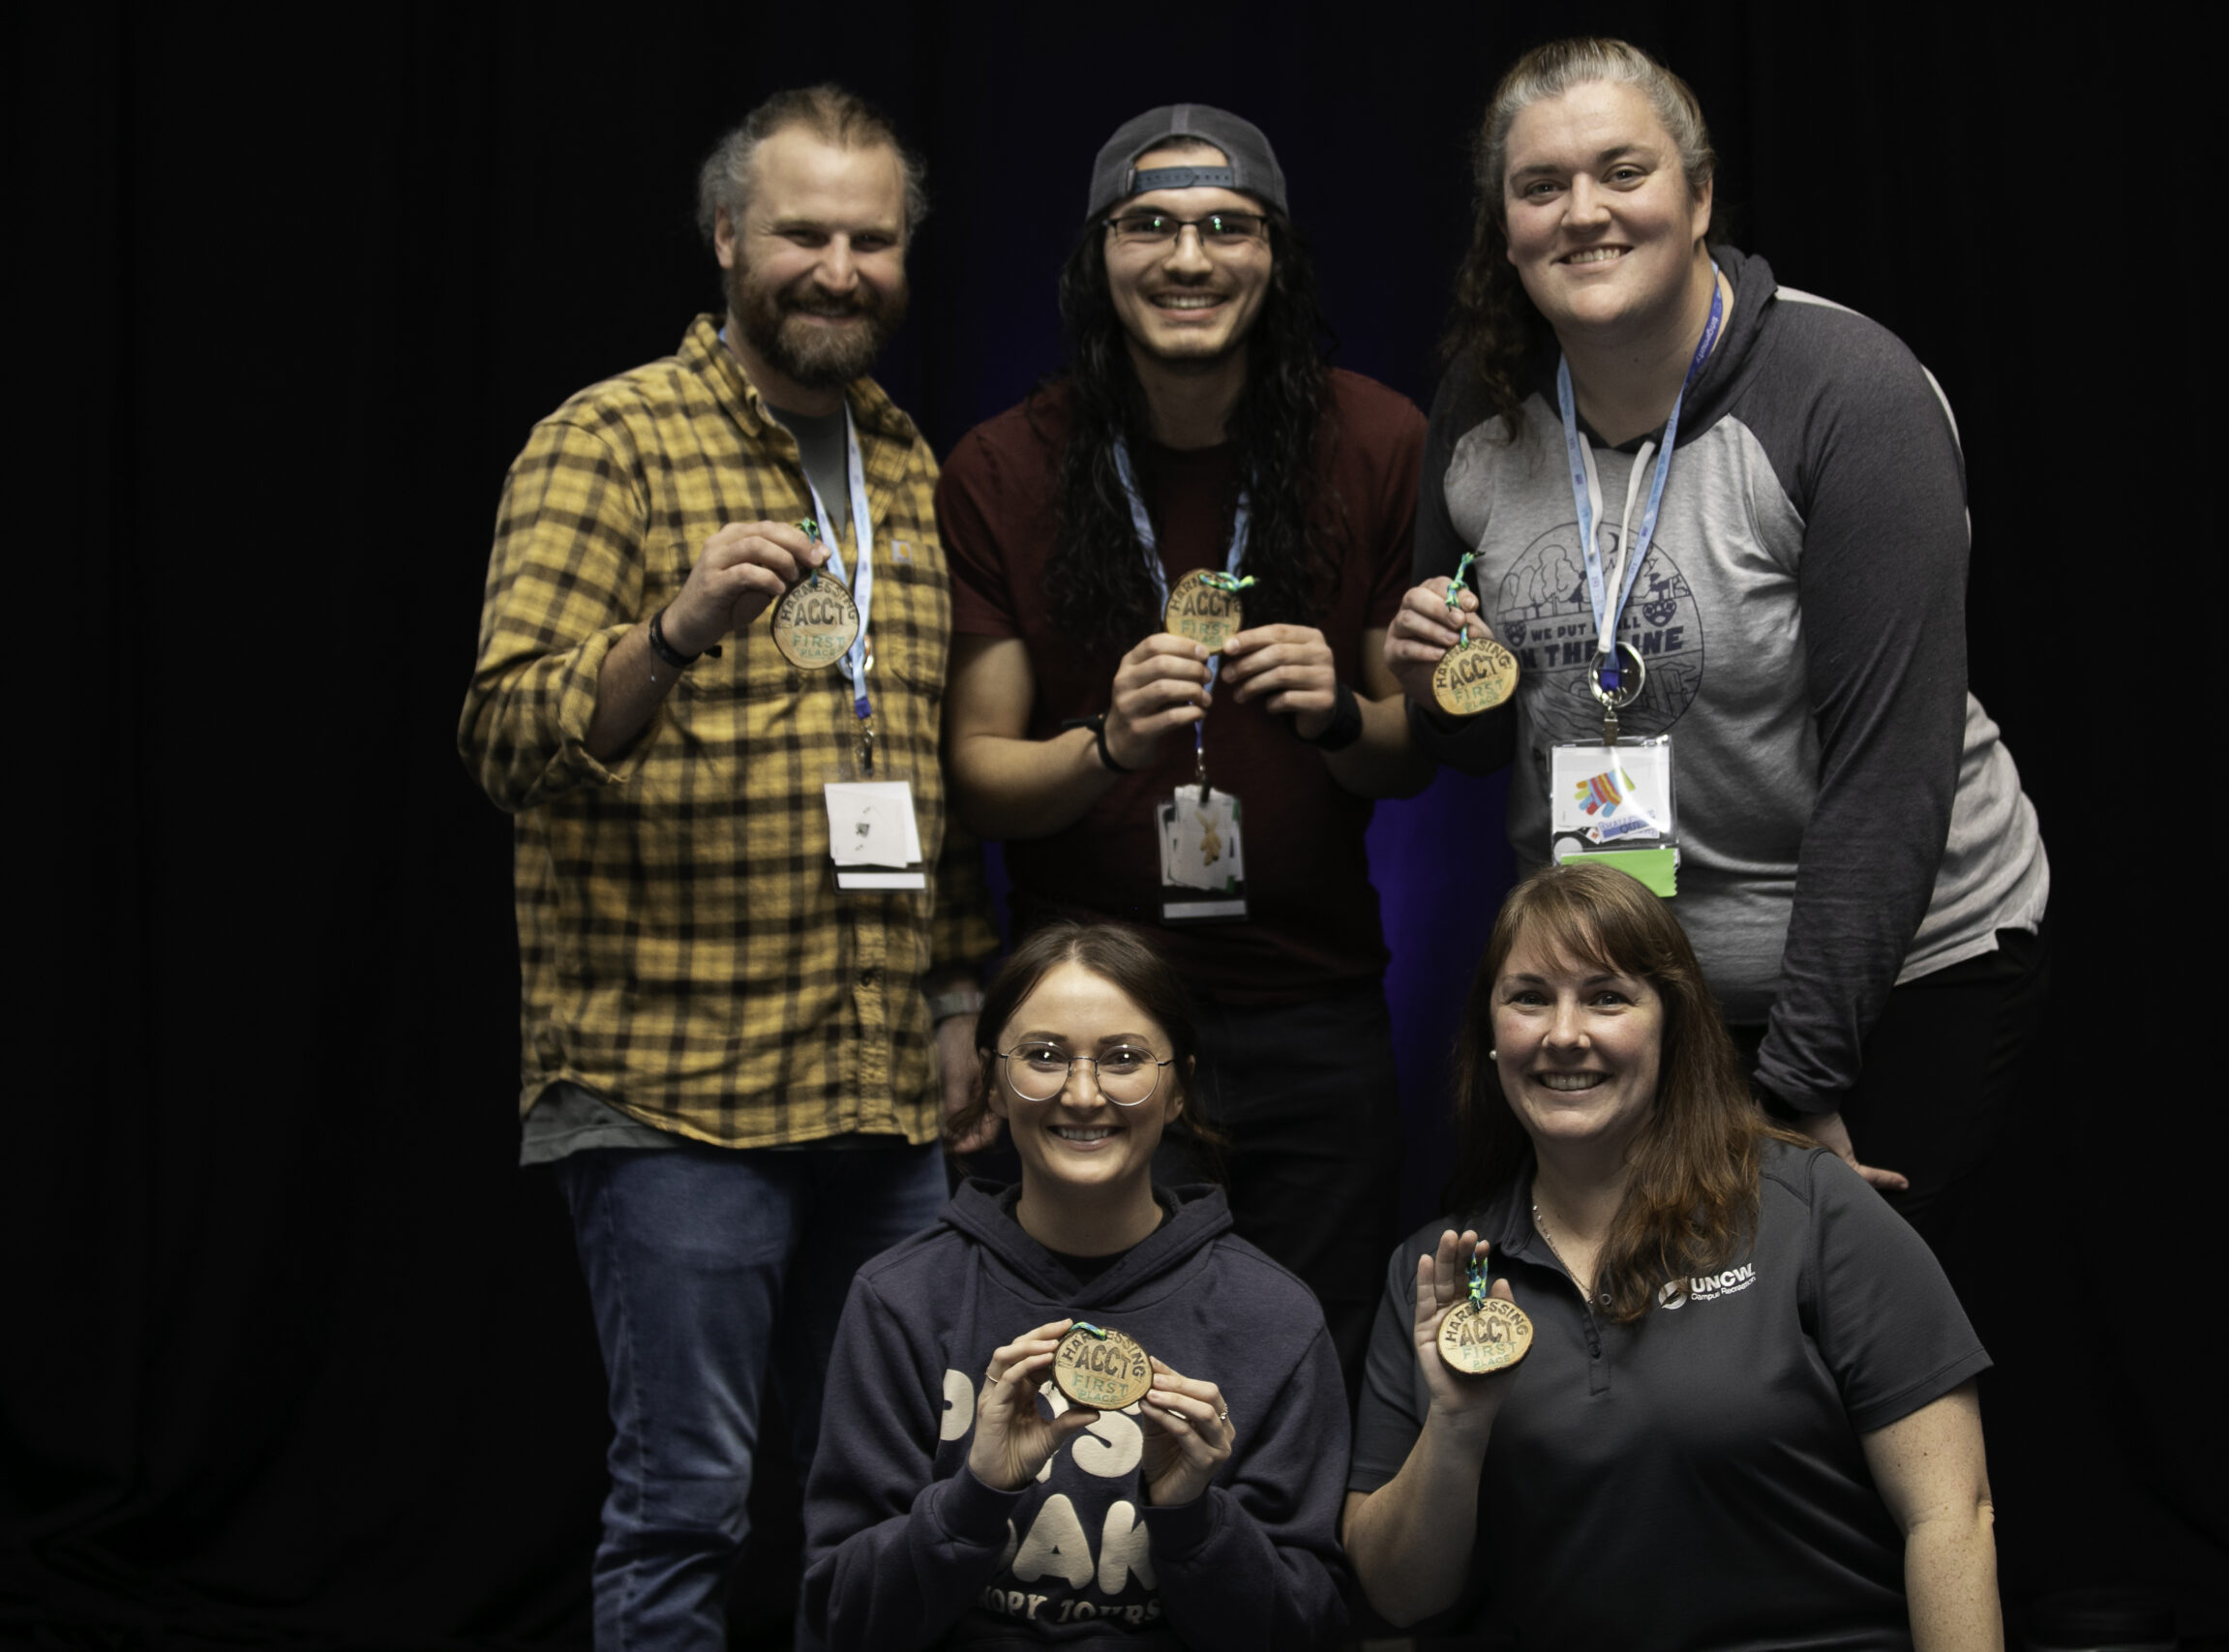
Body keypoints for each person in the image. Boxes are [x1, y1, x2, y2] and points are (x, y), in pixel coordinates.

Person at [457, 84, 995, 1651]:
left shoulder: (906, 467)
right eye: (802, 232)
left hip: (884, 1087)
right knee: (685, 1504)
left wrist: (962, 991)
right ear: (725, 239)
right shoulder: (604, 440)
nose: (838, 266)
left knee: (891, 1499)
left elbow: (913, 771)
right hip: (670, 1082)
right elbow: (499, 737)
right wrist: (670, 632)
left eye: (871, 238)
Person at [1384, 38, 2051, 1254]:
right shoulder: (1482, 410)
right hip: (1629, 995)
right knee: (1640, 1380)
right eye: (1540, 188)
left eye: (1621, 172)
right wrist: (1433, 674)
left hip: (1896, 982)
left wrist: (1793, 1091)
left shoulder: (1848, 392)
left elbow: (1889, 776)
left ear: (1696, 199)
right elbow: (1471, 745)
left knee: (1817, 1373)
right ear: (1505, 228)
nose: (1582, 213)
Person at [939, 104, 1430, 1389]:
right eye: (1148, 224)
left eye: (1228, 225)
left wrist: (1337, 712)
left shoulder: (1378, 440)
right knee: (1097, 1376)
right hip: (1095, 1021)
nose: (1190, 256)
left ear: (1276, 255)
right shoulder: (1005, 465)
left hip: (1313, 1008)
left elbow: (1405, 754)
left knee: (1310, 1366)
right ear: (1099, 256)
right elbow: (981, 778)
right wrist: (1104, 743)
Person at [1342, 861, 2000, 1649]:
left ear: (1671, 1026)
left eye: (1607, 996)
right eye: (1528, 997)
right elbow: (1395, 1596)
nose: (1563, 1033)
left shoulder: (1810, 1205)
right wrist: (1455, 1423)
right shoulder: (1442, 1271)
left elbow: (1952, 1515)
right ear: (1490, 1037)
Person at [800, 921, 1351, 1650]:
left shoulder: (1275, 1318)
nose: (1083, 1093)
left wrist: (1192, 1516)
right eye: (1044, 1056)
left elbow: (1310, 1631)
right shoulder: (900, 1300)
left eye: (1123, 1058)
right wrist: (973, 1498)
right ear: (994, 1082)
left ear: (1177, 1087)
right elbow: (840, 1623)